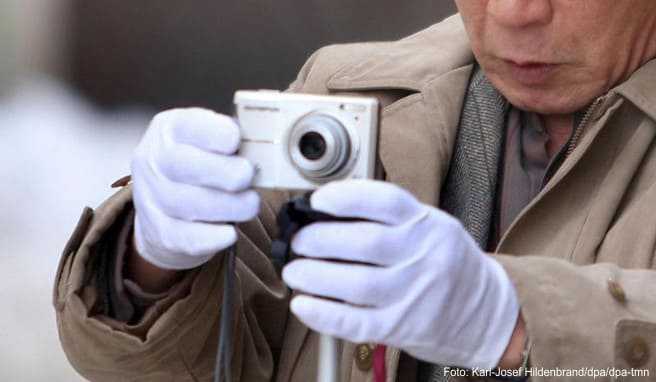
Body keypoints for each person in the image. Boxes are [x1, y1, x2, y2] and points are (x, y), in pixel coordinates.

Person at [54, 1, 656, 381]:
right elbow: (160, 364)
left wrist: (516, 324)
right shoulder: (351, 94)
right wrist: (147, 263)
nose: (511, 12)